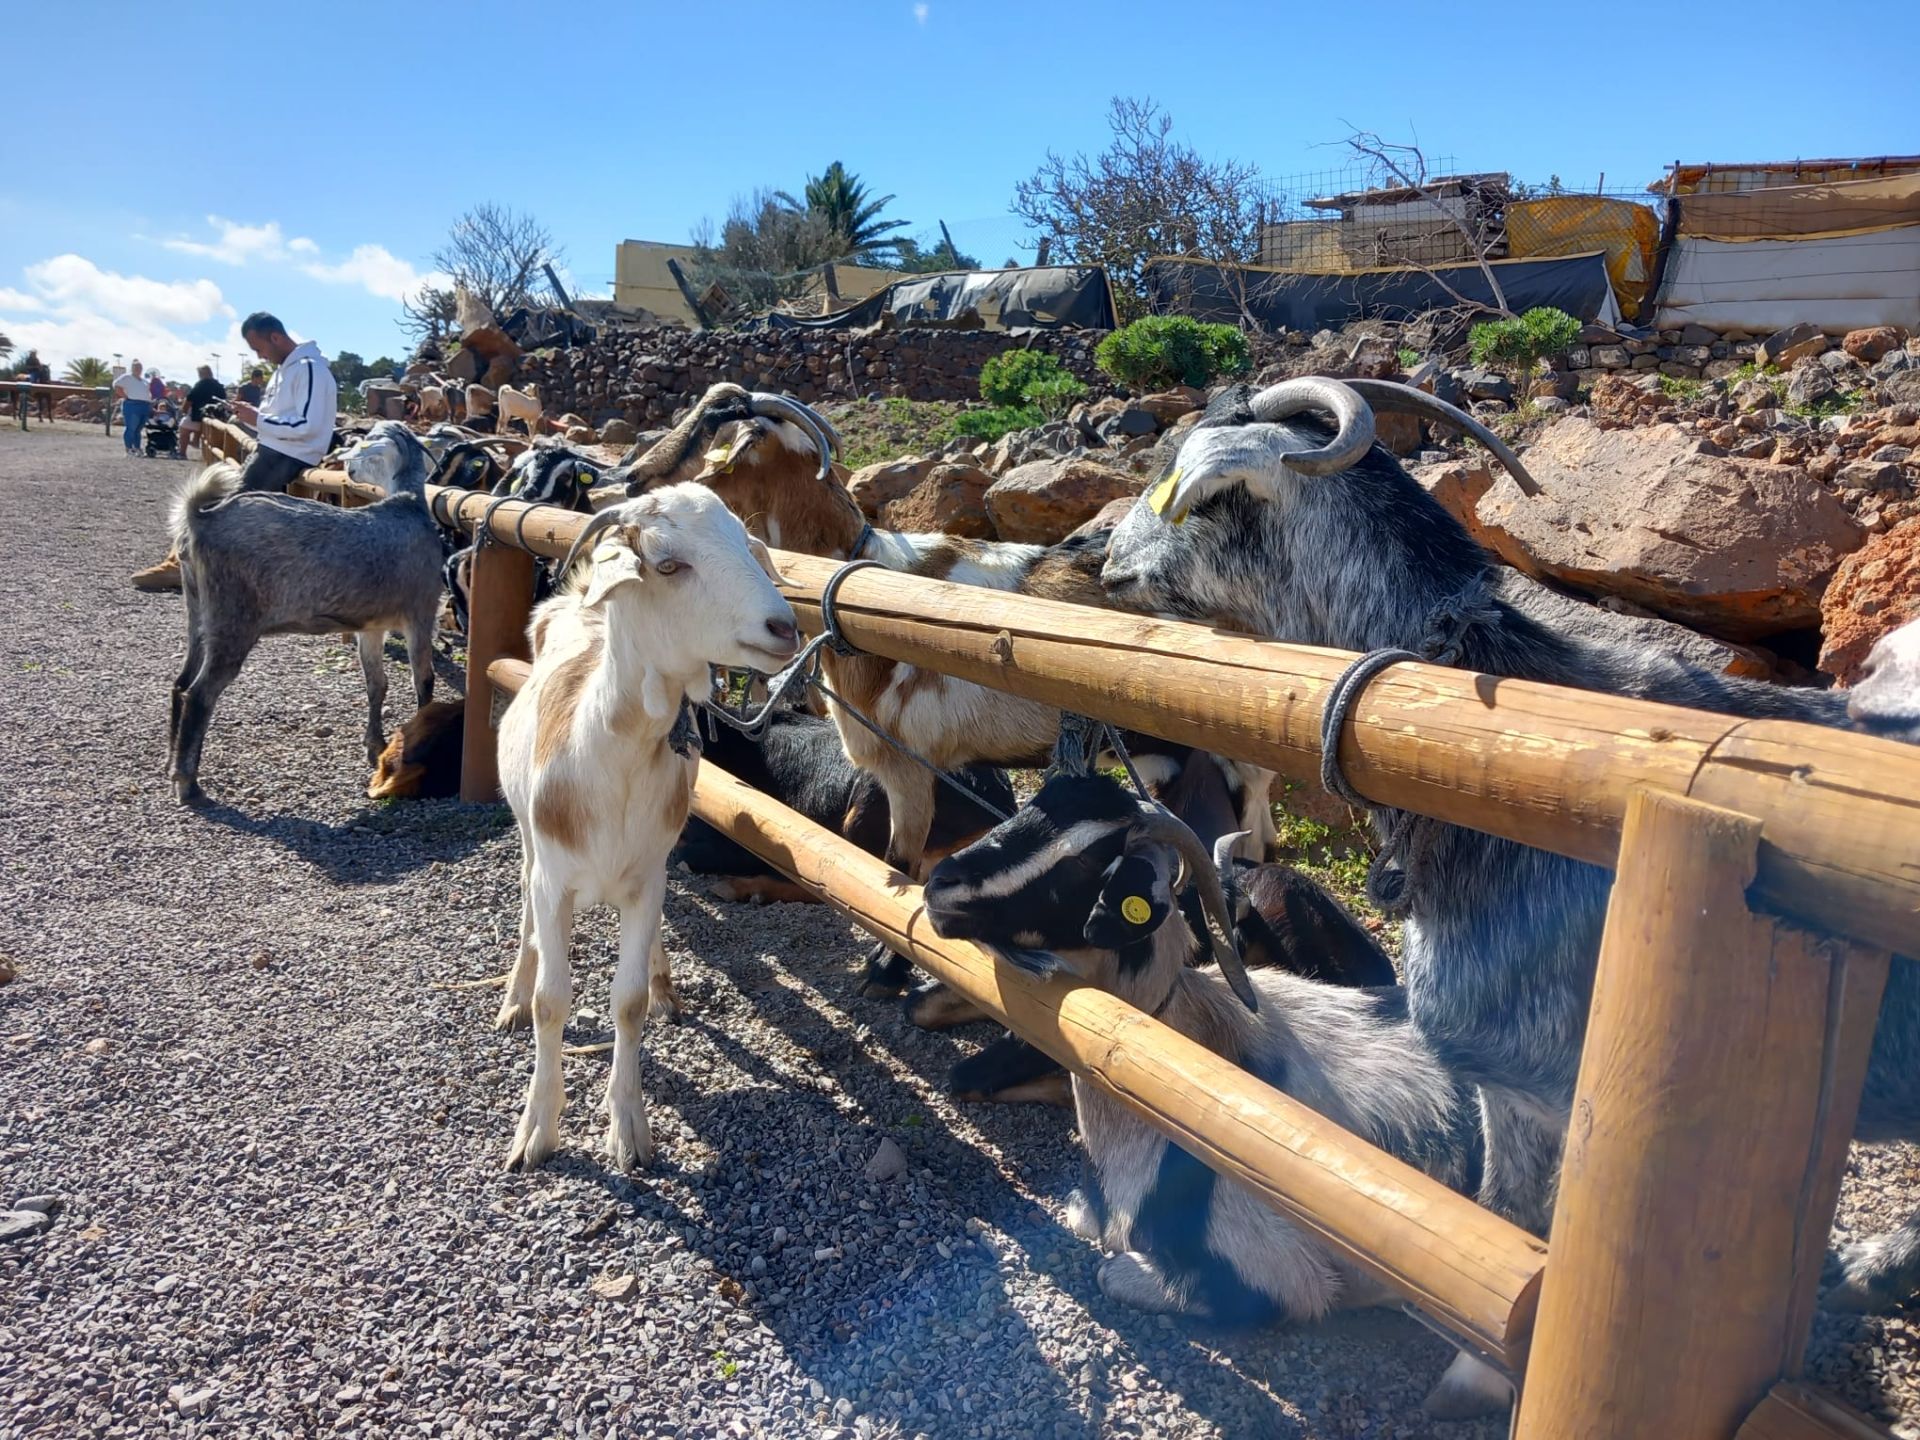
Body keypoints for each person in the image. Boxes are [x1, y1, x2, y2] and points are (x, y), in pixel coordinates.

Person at [132, 313, 338, 590]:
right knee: (218, 499)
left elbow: (308, 424)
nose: (259, 356)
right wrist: (254, 416)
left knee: (223, 508)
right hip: (276, 448)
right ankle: (184, 563)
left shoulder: (309, 368)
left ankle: (185, 567)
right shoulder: (291, 368)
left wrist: (258, 420)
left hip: (287, 453)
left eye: (259, 348)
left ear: (275, 337)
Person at [181, 364, 225, 460]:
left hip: (199, 416)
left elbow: (189, 399)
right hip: (216, 418)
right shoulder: (219, 386)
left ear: (202, 374)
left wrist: (184, 411)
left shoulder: (200, 384)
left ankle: (182, 453)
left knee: (183, 429)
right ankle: (197, 442)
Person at [114, 361, 152, 457]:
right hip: (132, 404)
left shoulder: (144, 381)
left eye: (140, 367)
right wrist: (125, 396)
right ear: (132, 368)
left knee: (138, 429)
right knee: (131, 427)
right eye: (136, 367)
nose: (138, 369)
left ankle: (137, 448)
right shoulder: (127, 377)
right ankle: (128, 449)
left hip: (144, 405)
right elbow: (116, 385)